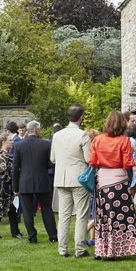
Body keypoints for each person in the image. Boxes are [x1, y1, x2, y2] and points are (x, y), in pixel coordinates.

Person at [88, 111, 136, 260]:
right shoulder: (125, 140)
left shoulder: (97, 140)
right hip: (119, 180)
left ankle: (103, 249)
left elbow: (93, 161)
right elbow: (127, 163)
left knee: (103, 216)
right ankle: (121, 248)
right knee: (122, 216)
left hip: (103, 179)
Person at [50, 104, 92, 258]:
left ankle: (62, 249)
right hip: (79, 178)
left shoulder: (57, 135)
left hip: (61, 178)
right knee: (81, 215)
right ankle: (80, 249)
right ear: (81, 118)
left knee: (64, 215)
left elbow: (52, 158)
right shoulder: (82, 135)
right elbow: (89, 159)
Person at [12, 121, 58, 244]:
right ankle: (53, 235)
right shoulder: (46, 144)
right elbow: (51, 164)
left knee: (27, 211)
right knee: (47, 209)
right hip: (42, 180)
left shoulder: (19, 145)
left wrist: (15, 186)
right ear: (37, 130)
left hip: (24, 181)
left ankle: (32, 236)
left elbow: (15, 168)